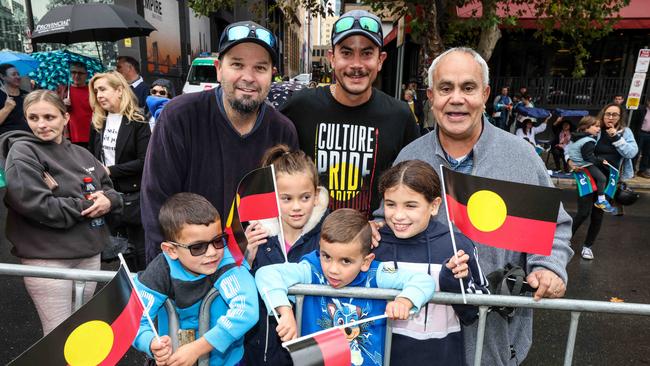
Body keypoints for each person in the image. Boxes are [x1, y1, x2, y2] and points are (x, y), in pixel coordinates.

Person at [382, 47, 573, 365]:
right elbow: (385, 221)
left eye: (468, 87)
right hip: (420, 338)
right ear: (431, 96)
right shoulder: (410, 158)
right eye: (446, 88)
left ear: (485, 94)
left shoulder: (521, 158)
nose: (456, 98)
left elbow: (553, 226)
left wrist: (548, 268)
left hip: (493, 336)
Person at [140, 21, 299, 263]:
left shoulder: (283, 131)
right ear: (218, 69)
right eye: (237, 64)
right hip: (188, 273)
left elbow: (290, 209)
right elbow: (156, 204)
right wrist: (167, 276)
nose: (248, 77)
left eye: (260, 67)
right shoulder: (179, 117)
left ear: (271, 74)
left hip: (256, 275)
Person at [0, 90, 121, 335]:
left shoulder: (81, 153)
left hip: (88, 255)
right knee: (58, 336)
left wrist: (107, 201)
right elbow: (38, 206)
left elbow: (111, 191)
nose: (42, 125)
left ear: (65, 118)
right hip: (48, 258)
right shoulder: (23, 151)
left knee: (82, 332)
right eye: (33, 118)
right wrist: (89, 205)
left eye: (49, 117)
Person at [280, 9, 420, 217]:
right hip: (309, 243)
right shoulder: (300, 107)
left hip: (374, 243)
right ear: (332, 58)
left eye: (367, 53)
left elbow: (413, 186)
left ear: (380, 60)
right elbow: (275, 173)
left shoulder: (400, 116)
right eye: (346, 53)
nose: (356, 65)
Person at [255, 208, 435, 366]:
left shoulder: (376, 273)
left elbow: (424, 280)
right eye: (326, 256)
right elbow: (266, 274)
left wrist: (405, 300)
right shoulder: (312, 268)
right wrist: (285, 310)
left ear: (365, 261)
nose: (333, 269)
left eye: (346, 261)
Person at [372, 160, 488, 365]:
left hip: (442, 358)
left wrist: (457, 281)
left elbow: (476, 312)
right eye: (390, 204)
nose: (398, 215)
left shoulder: (456, 246)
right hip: (381, 356)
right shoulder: (374, 242)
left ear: (434, 206)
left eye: (410, 205)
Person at [133, 193, 258, 366]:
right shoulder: (160, 270)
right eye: (198, 247)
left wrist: (198, 348)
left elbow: (247, 309)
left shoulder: (227, 261)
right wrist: (151, 343)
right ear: (171, 250)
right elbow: (134, 318)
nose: (212, 252)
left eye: (217, 240)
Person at [243, 144, 329, 365]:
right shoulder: (257, 236)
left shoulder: (328, 238)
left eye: (305, 197)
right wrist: (247, 259)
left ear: (317, 196)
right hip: (259, 351)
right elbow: (236, 286)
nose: (296, 207)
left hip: (310, 352)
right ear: (272, 197)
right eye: (287, 198)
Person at [88, 71, 152, 271]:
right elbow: (92, 156)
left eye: (103, 89)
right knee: (119, 251)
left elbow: (144, 161)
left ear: (119, 90)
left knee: (139, 252)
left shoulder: (138, 121)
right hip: (107, 194)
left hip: (134, 197)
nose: (99, 95)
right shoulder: (98, 122)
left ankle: (144, 293)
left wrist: (110, 170)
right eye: (96, 90)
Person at [567, 103, 638, 260]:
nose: (610, 118)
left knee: (598, 215)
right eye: (608, 114)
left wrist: (617, 137)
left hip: (610, 180)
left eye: (614, 115)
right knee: (583, 212)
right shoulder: (595, 128)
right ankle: (564, 240)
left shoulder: (625, 132)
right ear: (603, 114)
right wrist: (570, 161)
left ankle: (588, 246)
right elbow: (572, 146)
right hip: (588, 176)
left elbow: (631, 153)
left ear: (620, 117)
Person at [566, 116, 616, 212]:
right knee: (602, 178)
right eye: (596, 126)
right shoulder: (588, 141)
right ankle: (601, 200)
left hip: (576, 162)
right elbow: (588, 157)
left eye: (599, 126)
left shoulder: (577, 137)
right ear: (586, 127)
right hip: (583, 164)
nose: (598, 128)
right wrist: (601, 162)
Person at [59, 62, 93, 148]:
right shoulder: (64, 90)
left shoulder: (93, 91)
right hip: (71, 136)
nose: (77, 76)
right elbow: (54, 110)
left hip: (91, 135)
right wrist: (61, 104)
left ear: (87, 74)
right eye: (73, 72)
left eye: (80, 73)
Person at [0, 63, 30, 135]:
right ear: (2, 76)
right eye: (13, 74)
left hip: (30, 135)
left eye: (18, 74)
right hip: (8, 137)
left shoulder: (26, 95)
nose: (18, 77)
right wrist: (6, 108)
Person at [631, 99, 650, 178]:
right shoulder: (641, 110)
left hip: (649, 134)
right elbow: (634, 122)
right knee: (636, 152)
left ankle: (642, 171)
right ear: (648, 102)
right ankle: (632, 170)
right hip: (641, 133)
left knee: (647, 153)